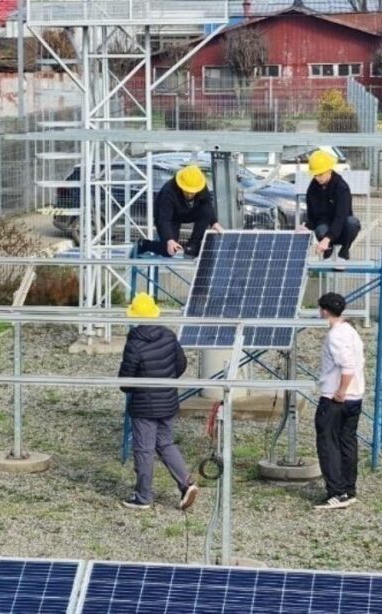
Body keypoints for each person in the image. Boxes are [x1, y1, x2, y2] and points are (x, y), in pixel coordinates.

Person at [118, 293, 199, 511]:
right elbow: (181, 364)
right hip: (168, 400)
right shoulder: (168, 335)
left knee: (144, 449)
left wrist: (131, 387)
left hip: (144, 405)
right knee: (165, 443)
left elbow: (125, 379)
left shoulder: (135, 341)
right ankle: (187, 483)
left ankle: (143, 497)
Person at [313, 292, 365, 510]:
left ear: (324, 311)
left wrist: (341, 391)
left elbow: (347, 365)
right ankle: (348, 489)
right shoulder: (350, 330)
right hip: (356, 398)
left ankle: (337, 492)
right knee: (347, 442)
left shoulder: (335, 336)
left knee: (328, 444)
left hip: (337, 399)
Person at [137, 164, 223, 259]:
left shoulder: (200, 186)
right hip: (168, 216)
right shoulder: (168, 192)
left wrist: (214, 222)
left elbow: (206, 204)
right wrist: (169, 240)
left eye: (193, 191)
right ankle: (144, 244)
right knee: (169, 251)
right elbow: (164, 220)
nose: (190, 194)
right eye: (187, 191)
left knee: (206, 210)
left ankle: (192, 245)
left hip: (186, 211)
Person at [302, 150, 361, 260]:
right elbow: (313, 217)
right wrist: (305, 227)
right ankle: (328, 251)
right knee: (320, 229)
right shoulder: (312, 189)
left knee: (352, 223)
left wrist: (327, 238)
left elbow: (341, 217)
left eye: (320, 174)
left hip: (342, 228)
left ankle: (344, 251)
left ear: (329, 171)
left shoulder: (341, 188)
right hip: (324, 226)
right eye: (315, 175)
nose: (317, 178)